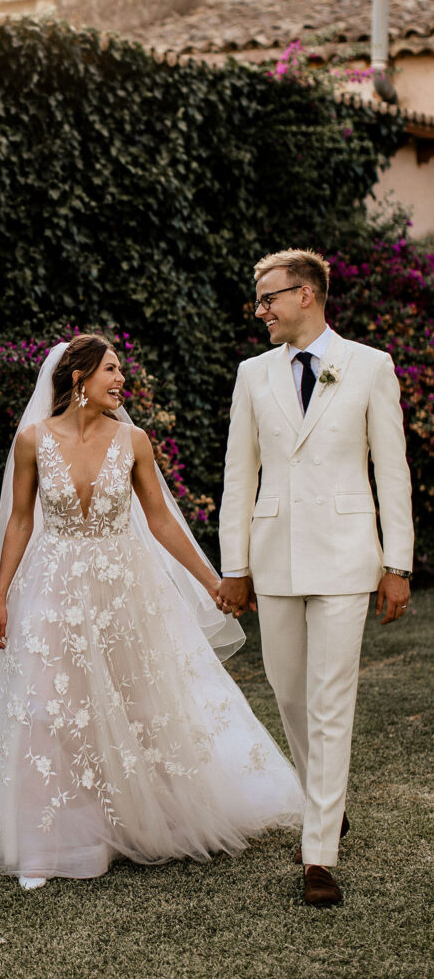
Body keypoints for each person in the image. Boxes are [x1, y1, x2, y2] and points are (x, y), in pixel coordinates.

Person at [0, 334, 303, 889]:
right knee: (50, 710)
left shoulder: (133, 440)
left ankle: (142, 818)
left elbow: (161, 520)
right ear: (79, 377)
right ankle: (48, 841)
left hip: (123, 590)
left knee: (136, 702)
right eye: (111, 369)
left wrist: (214, 582)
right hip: (52, 590)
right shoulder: (32, 440)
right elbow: (20, 521)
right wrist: (1, 596)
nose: (122, 379)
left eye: (120, 369)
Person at [218, 249, 414, 907]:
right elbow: (238, 475)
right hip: (274, 556)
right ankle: (327, 801)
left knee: (330, 701)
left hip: (344, 557)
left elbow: (391, 471)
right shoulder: (252, 374)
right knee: (289, 693)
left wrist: (396, 564)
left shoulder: (370, 366)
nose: (260, 310)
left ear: (305, 294)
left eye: (267, 297)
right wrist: (235, 566)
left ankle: (319, 854)